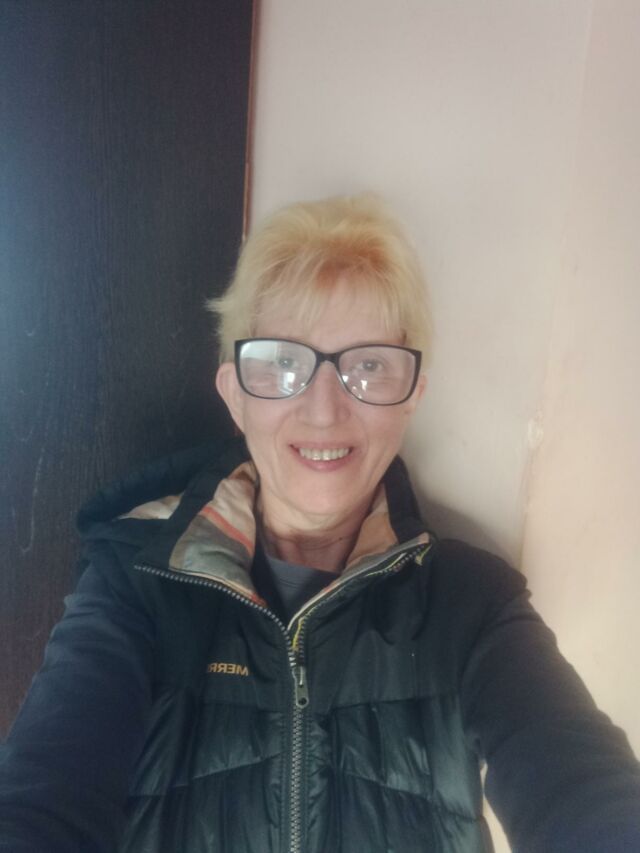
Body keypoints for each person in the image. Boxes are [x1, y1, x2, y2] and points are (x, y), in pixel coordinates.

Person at [0, 194, 639, 853]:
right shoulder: (133, 583)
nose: (325, 410)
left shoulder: (474, 605)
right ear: (234, 395)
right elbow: (42, 795)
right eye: (283, 363)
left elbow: (585, 789)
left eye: (368, 365)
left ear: (412, 396)